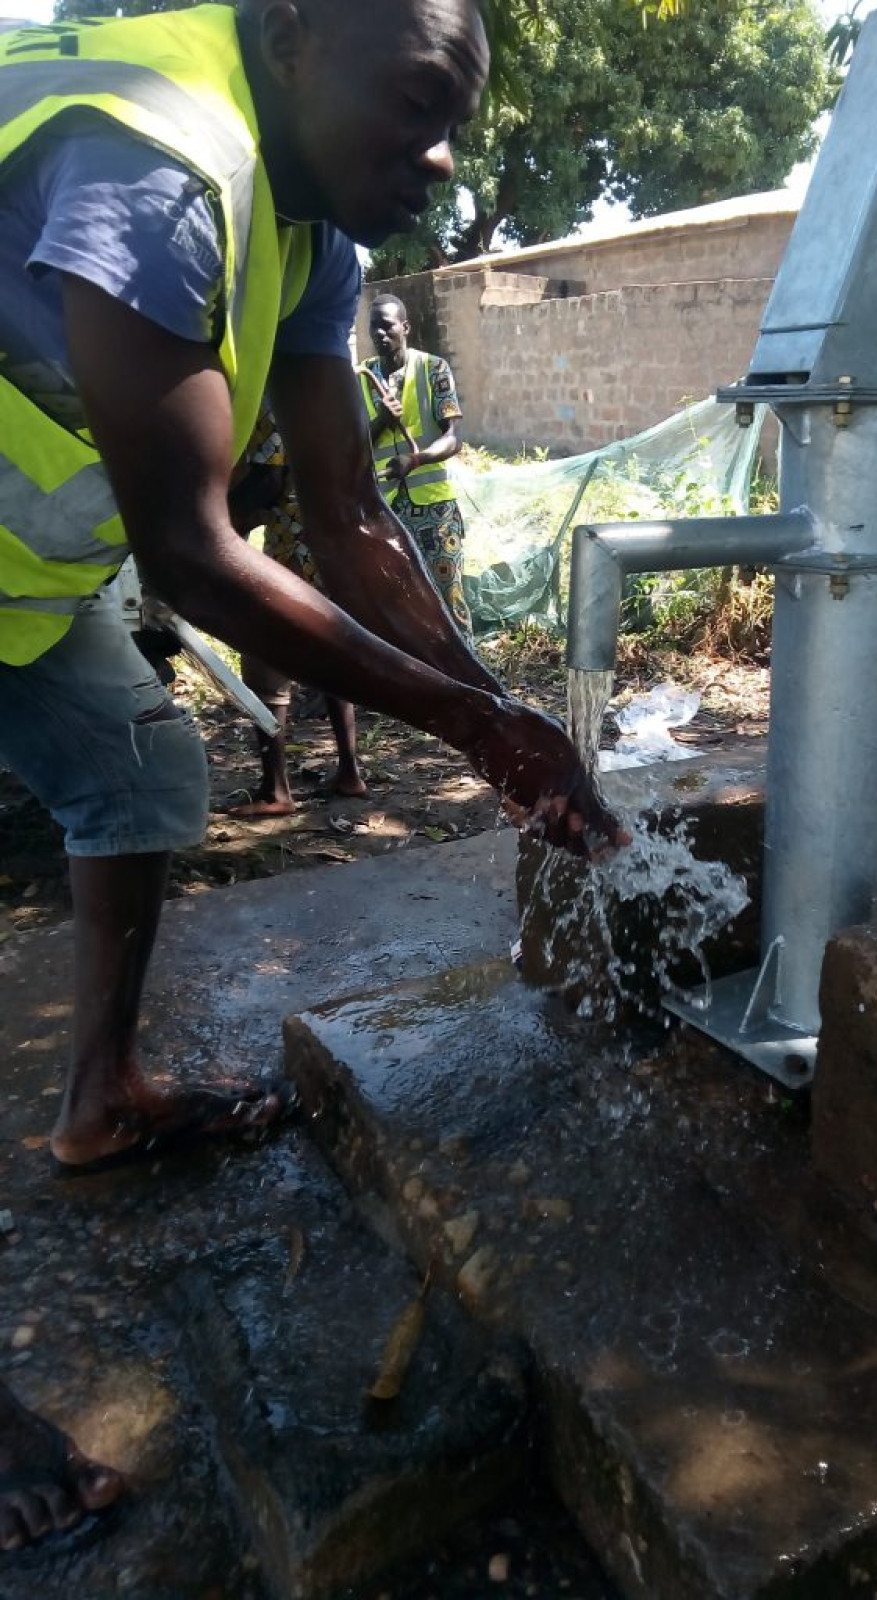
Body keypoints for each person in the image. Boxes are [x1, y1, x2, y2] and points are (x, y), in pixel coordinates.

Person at [0, 0, 621, 1555]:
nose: (444, 156)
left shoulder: (313, 231)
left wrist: (504, 708)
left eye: (456, 120)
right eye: (415, 104)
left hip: (16, 588)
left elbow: (348, 521)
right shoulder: (156, 159)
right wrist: (479, 735)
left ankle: (105, 1100)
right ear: (289, 32)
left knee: (142, 774)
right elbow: (199, 556)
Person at [226, 409, 367, 816]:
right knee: (335, 658)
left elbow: (268, 481)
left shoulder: (269, 397)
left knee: (264, 660)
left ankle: (276, 791)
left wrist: (215, 517)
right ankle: (350, 772)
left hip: (296, 551)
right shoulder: (321, 391)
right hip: (338, 550)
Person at [361, 295, 474, 637]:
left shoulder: (433, 368)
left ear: (405, 327)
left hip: (434, 508)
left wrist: (415, 459)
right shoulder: (360, 376)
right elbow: (352, 444)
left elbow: (454, 438)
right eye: (374, 326)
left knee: (447, 595)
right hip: (385, 508)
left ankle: (469, 680)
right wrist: (382, 419)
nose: (381, 333)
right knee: (396, 600)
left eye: (388, 325)